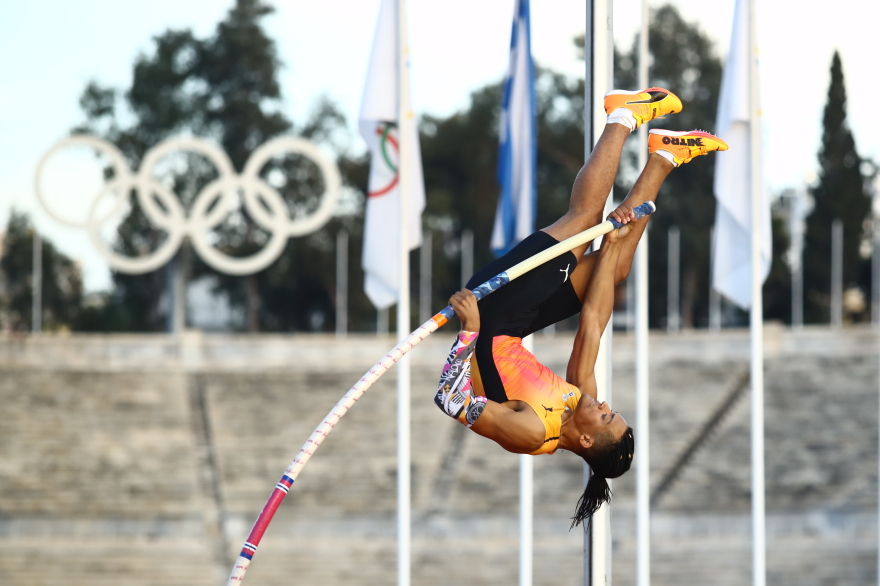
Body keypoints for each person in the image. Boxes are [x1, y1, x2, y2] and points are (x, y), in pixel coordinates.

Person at [434, 87, 728, 527]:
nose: (604, 403)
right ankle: (665, 156)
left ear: (587, 439)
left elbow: (451, 401)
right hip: (518, 323)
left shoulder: (532, 433)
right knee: (617, 266)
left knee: (584, 221)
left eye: (606, 415)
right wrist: (609, 252)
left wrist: (469, 333)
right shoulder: (578, 396)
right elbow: (593, 321)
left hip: (491, 313)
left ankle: (622, 116)